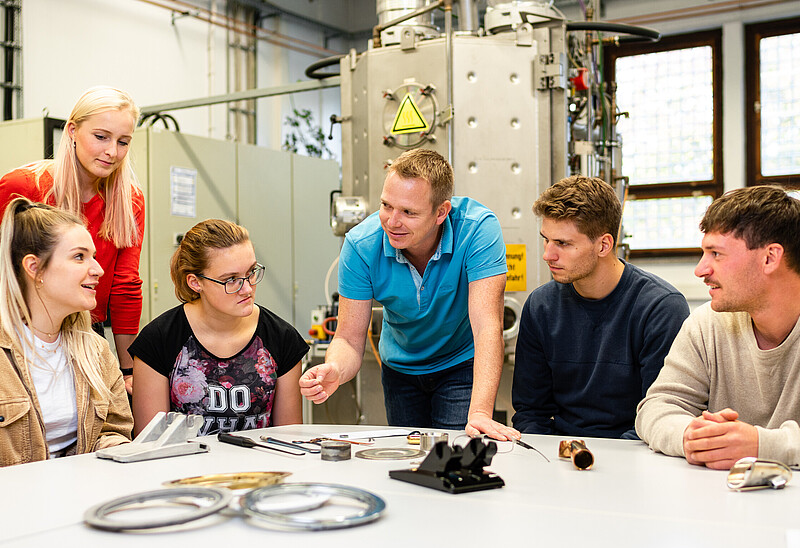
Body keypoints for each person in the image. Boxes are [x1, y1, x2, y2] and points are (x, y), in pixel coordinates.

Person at [299, 148, 517, 440]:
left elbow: (487, 325)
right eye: (387, 206)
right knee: (411, 459)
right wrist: (335, 369)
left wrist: (479, 412)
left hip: (460, 362)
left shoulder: (477, 230)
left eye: (409, 212)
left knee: (456, 454)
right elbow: (349, 338)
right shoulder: (361, 245)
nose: (392, 221)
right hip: (400, 368)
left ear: (441, 212)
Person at [512, 175, 689, 439]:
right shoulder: (541, 307)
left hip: (638, 455)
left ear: (604, 245)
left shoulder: (661, 309)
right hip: (562, 454)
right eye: (546, 240)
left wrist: (604, 465)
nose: (547, 254)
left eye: (562, 243)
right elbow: (530, 412)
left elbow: (661, 415)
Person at [636, 186, 800, 469]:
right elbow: (658, 406)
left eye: (716, 253)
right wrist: (694, 436)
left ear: (770, 258)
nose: (700, 270)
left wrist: (761, 445)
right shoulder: (707, 323)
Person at [0, 86, 144, 395]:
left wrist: (128, 369)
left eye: (123, 142)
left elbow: (125, 285)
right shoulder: (23, 186)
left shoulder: (129, 200)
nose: (112, 152)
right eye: (101, 137)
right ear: (73, 130)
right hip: (18, 328)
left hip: (85, 330)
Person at [129, 219, 308, 436]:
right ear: (195, 282)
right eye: (231, 279)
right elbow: (150, 446)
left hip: (260, 468)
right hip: (182, 469)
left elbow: (287, 441)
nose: (247, 288)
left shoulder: (282, 339)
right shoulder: (158, 341)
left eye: (251, 272)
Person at [0, 198, 132, 466]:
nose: (98, 269)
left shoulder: (95, 350)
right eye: (79, 257)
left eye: (93, 257)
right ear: (34, 268)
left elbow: (114, 429)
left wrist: (117, 448)